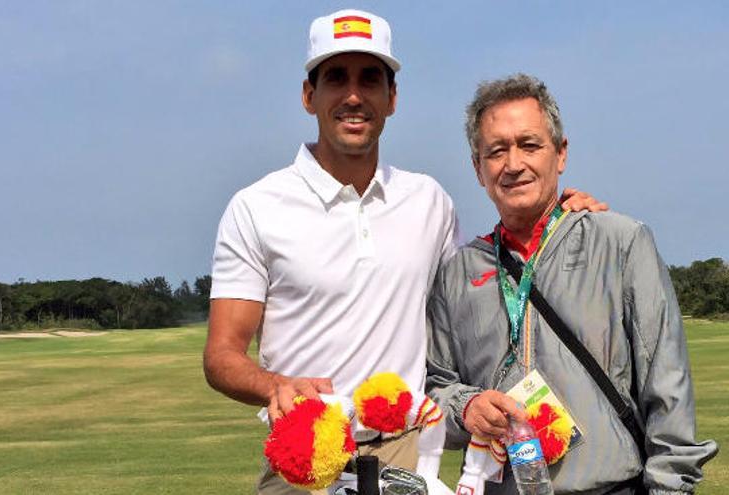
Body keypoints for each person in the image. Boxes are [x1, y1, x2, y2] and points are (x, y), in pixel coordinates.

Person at [202, 10, 606, 495]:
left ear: (392, 98)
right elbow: (222, 355)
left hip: (412, 455)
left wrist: (553, 216)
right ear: (310, 96)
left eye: (370, 79)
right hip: (307, 460)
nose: (354, 96)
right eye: (336, 78)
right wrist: (275, 386)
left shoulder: (428, 200)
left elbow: (486, 285)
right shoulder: (256, 207)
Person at [426, 73, 718, 495]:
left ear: (560, 154)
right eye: (496, 151)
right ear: (477, 168)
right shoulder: (459, 270)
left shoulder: (621, 242)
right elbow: (435, 387)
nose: (513, 164)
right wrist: (466, 406)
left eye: (529, 145)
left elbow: (667, 391)